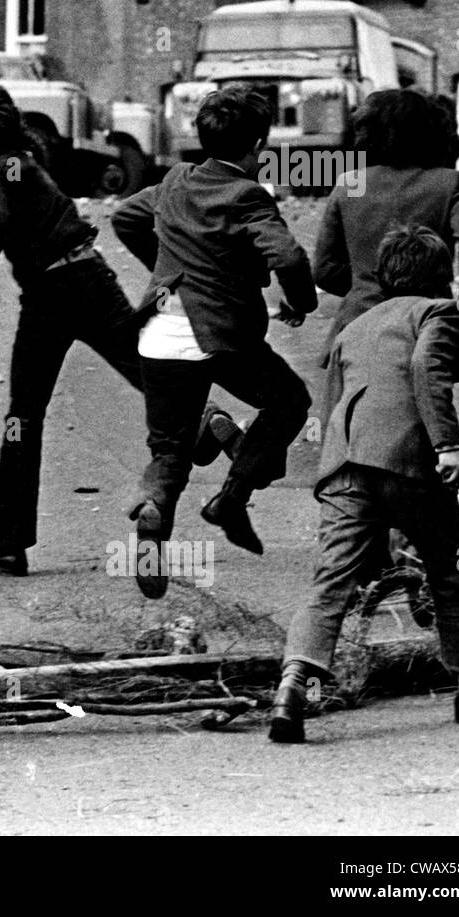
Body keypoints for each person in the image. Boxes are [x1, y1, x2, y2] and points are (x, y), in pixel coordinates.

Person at [269, 227, 459, 742]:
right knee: (453, 570)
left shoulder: (353, 328)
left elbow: (333, 400)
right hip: (410, 465)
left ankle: (293, 686)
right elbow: (430, 367)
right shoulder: (437, 314)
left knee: (330, 582)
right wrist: (447, 446)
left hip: (345, 468)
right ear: (440, 278)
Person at [0, 79, 147, 577]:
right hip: (84, 275)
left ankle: (8, 541)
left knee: (24, 413)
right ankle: (207, 424)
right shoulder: (20, 160)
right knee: (143, 367)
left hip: (50, 293)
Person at [112, 85, 315, 596]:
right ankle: (231, 497)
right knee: (289, 402)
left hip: (160, 336)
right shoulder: (248, 194)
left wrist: (167, 271)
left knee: (169, 450)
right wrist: (301, 303)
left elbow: (125, 218)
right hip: (221, 337)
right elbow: (288, 258)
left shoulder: (176, 179)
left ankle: (156, 511)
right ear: (259, 145)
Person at [313, 87, 459, 357]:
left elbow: (325, 270)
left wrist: (367, 287)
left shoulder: (351, 183)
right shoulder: (447, 182)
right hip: (428, 321)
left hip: (360, 321)